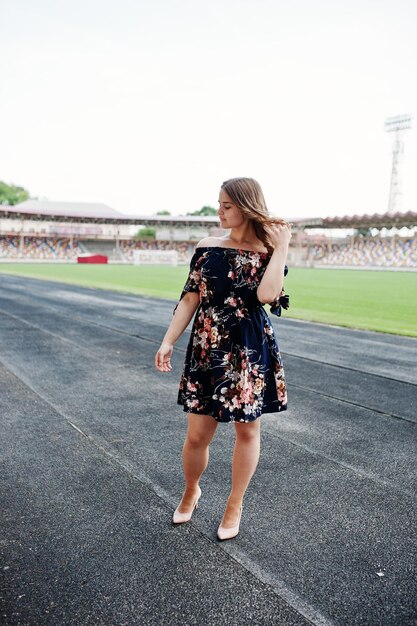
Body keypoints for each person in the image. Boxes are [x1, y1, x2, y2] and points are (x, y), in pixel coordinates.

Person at [155, 177, 291, 540]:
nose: (219, 211)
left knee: (248, 429)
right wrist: (169, 340)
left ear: (247, 206)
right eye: (219, 204)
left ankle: (235, 503)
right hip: (208, 346)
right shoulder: (207, 247)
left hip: (249, 349)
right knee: (197, 435)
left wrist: (282, 249)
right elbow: (189, 299)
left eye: (226, 205)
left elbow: (266, 295)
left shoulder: (268, 251)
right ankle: (191, 491)